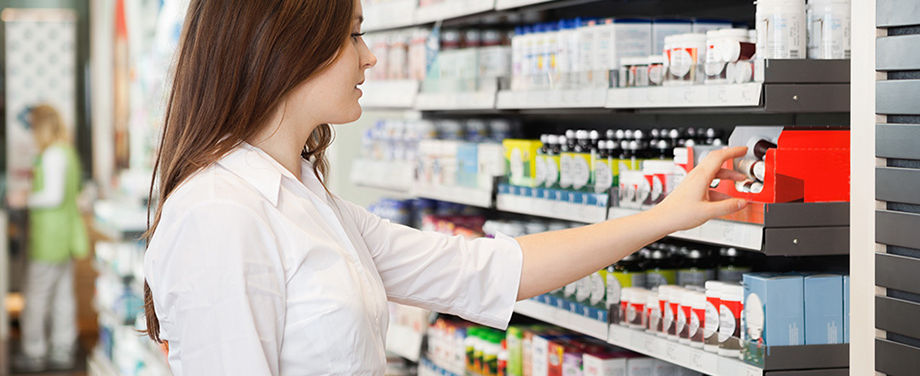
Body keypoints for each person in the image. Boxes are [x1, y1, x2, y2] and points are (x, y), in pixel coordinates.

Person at [143, 1, 750, 374]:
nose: (371, 56)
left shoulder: (307, 201)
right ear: (286, 45)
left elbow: (484, 270)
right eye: (354, 34)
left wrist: (664, 216)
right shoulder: (219, 213)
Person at [10, 104, 88, 372]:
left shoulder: (53, 155)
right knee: (63, 296)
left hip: (49, 238)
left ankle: (34, 351)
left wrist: (25, 198)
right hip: (64, 236)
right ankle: (62, 347)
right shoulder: (67, 152)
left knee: (37, 296)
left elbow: (52, 196)